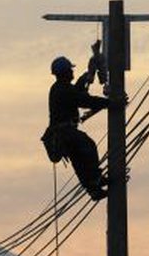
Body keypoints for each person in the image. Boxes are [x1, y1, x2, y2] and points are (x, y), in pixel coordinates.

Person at [45, 55, 111, 201]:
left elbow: (76, 93)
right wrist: (110, 103)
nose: (72, 73)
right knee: (88, 146)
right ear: (66, 72)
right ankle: (95, 179)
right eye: (70, 70)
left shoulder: (60, 88)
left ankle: (94, 189)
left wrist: (85, 77)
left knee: (79, 161)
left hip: (63, 134)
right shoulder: (62, 89)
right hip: (65, 132)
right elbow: (83, 100)